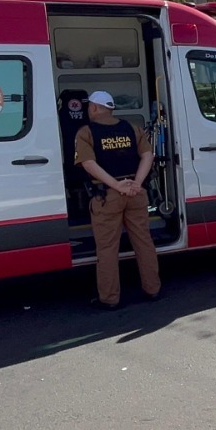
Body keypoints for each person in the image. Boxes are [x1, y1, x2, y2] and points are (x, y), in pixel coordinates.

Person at [75, 91, 161, 309]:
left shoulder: (86, 132)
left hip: (107, 196)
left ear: (94, 107)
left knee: (107, 248)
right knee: (143, 242)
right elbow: (148, 155)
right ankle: (153, 289)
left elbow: (88, 164)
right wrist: (137, 183)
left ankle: (110, 299)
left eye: (89, 107)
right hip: (135, 194)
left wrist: (116, 185)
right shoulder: (132, 128)